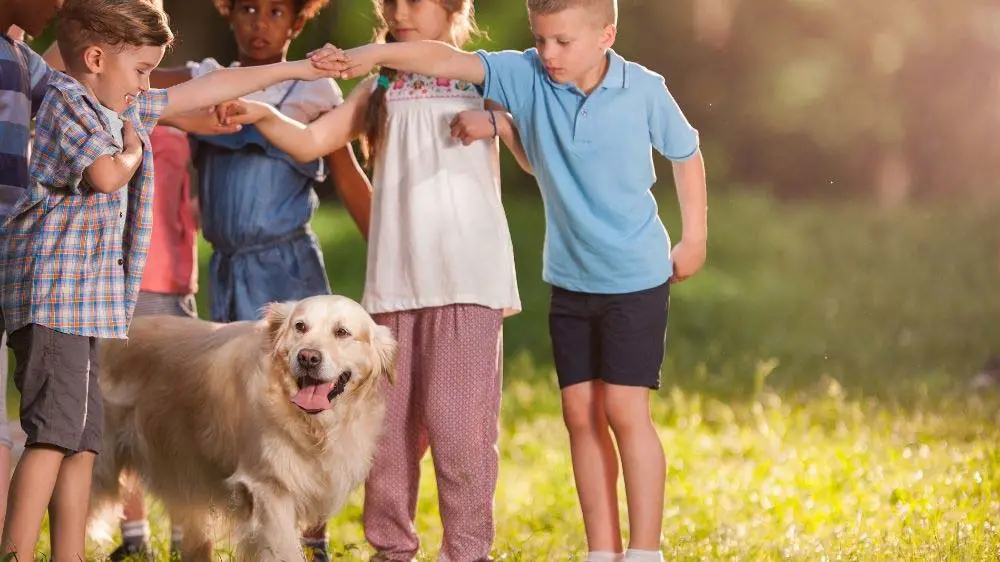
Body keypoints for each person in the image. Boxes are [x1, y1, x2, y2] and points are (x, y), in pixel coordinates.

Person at [311, 1, 709, 559]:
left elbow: (686, 152)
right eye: (540, 39)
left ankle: (643, 551)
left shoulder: (642, 88)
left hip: (636, 276)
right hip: (570, 280)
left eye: (563, 42)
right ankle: (603, 549)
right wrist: (369, 59)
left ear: (606, 36)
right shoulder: (528, 71)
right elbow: (443, 59)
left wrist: (693, 239)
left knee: (622, 410)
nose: (548, 53)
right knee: (578, 415)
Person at [0, 0, 350, 557]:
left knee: (82, 442)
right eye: (141, 70)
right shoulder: (70, 105)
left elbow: (204, 91)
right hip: (52, 306)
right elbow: (106, 173)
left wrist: (296, 71)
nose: (147, 84)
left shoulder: (113, 104)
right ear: (94, 58)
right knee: (51, 438)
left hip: (84, 309)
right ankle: (16, 550)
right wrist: (137, 151)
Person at [229, 1, 528, 558]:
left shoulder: (483, 78)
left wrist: (500, 123)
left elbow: (534, 155)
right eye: (390, 1)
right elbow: (313, 141)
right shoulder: (378, 90)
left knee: (461, 437)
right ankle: (391, 550)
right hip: (392, 294)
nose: (400, 11)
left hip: (469, 287)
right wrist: (261, 114)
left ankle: (467, 552)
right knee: (386, 442)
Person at [150, 0, 373, 326]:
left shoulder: (313, 88)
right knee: (234, 368)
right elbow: (132, 84)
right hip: (226, 266)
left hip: (287, 267)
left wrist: (386, 250)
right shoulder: (206, 80)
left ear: (296, 25)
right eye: (249, 9)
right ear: (229, 14)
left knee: (291, 364)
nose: (260, 23)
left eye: (276, 12)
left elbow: (348, 176)